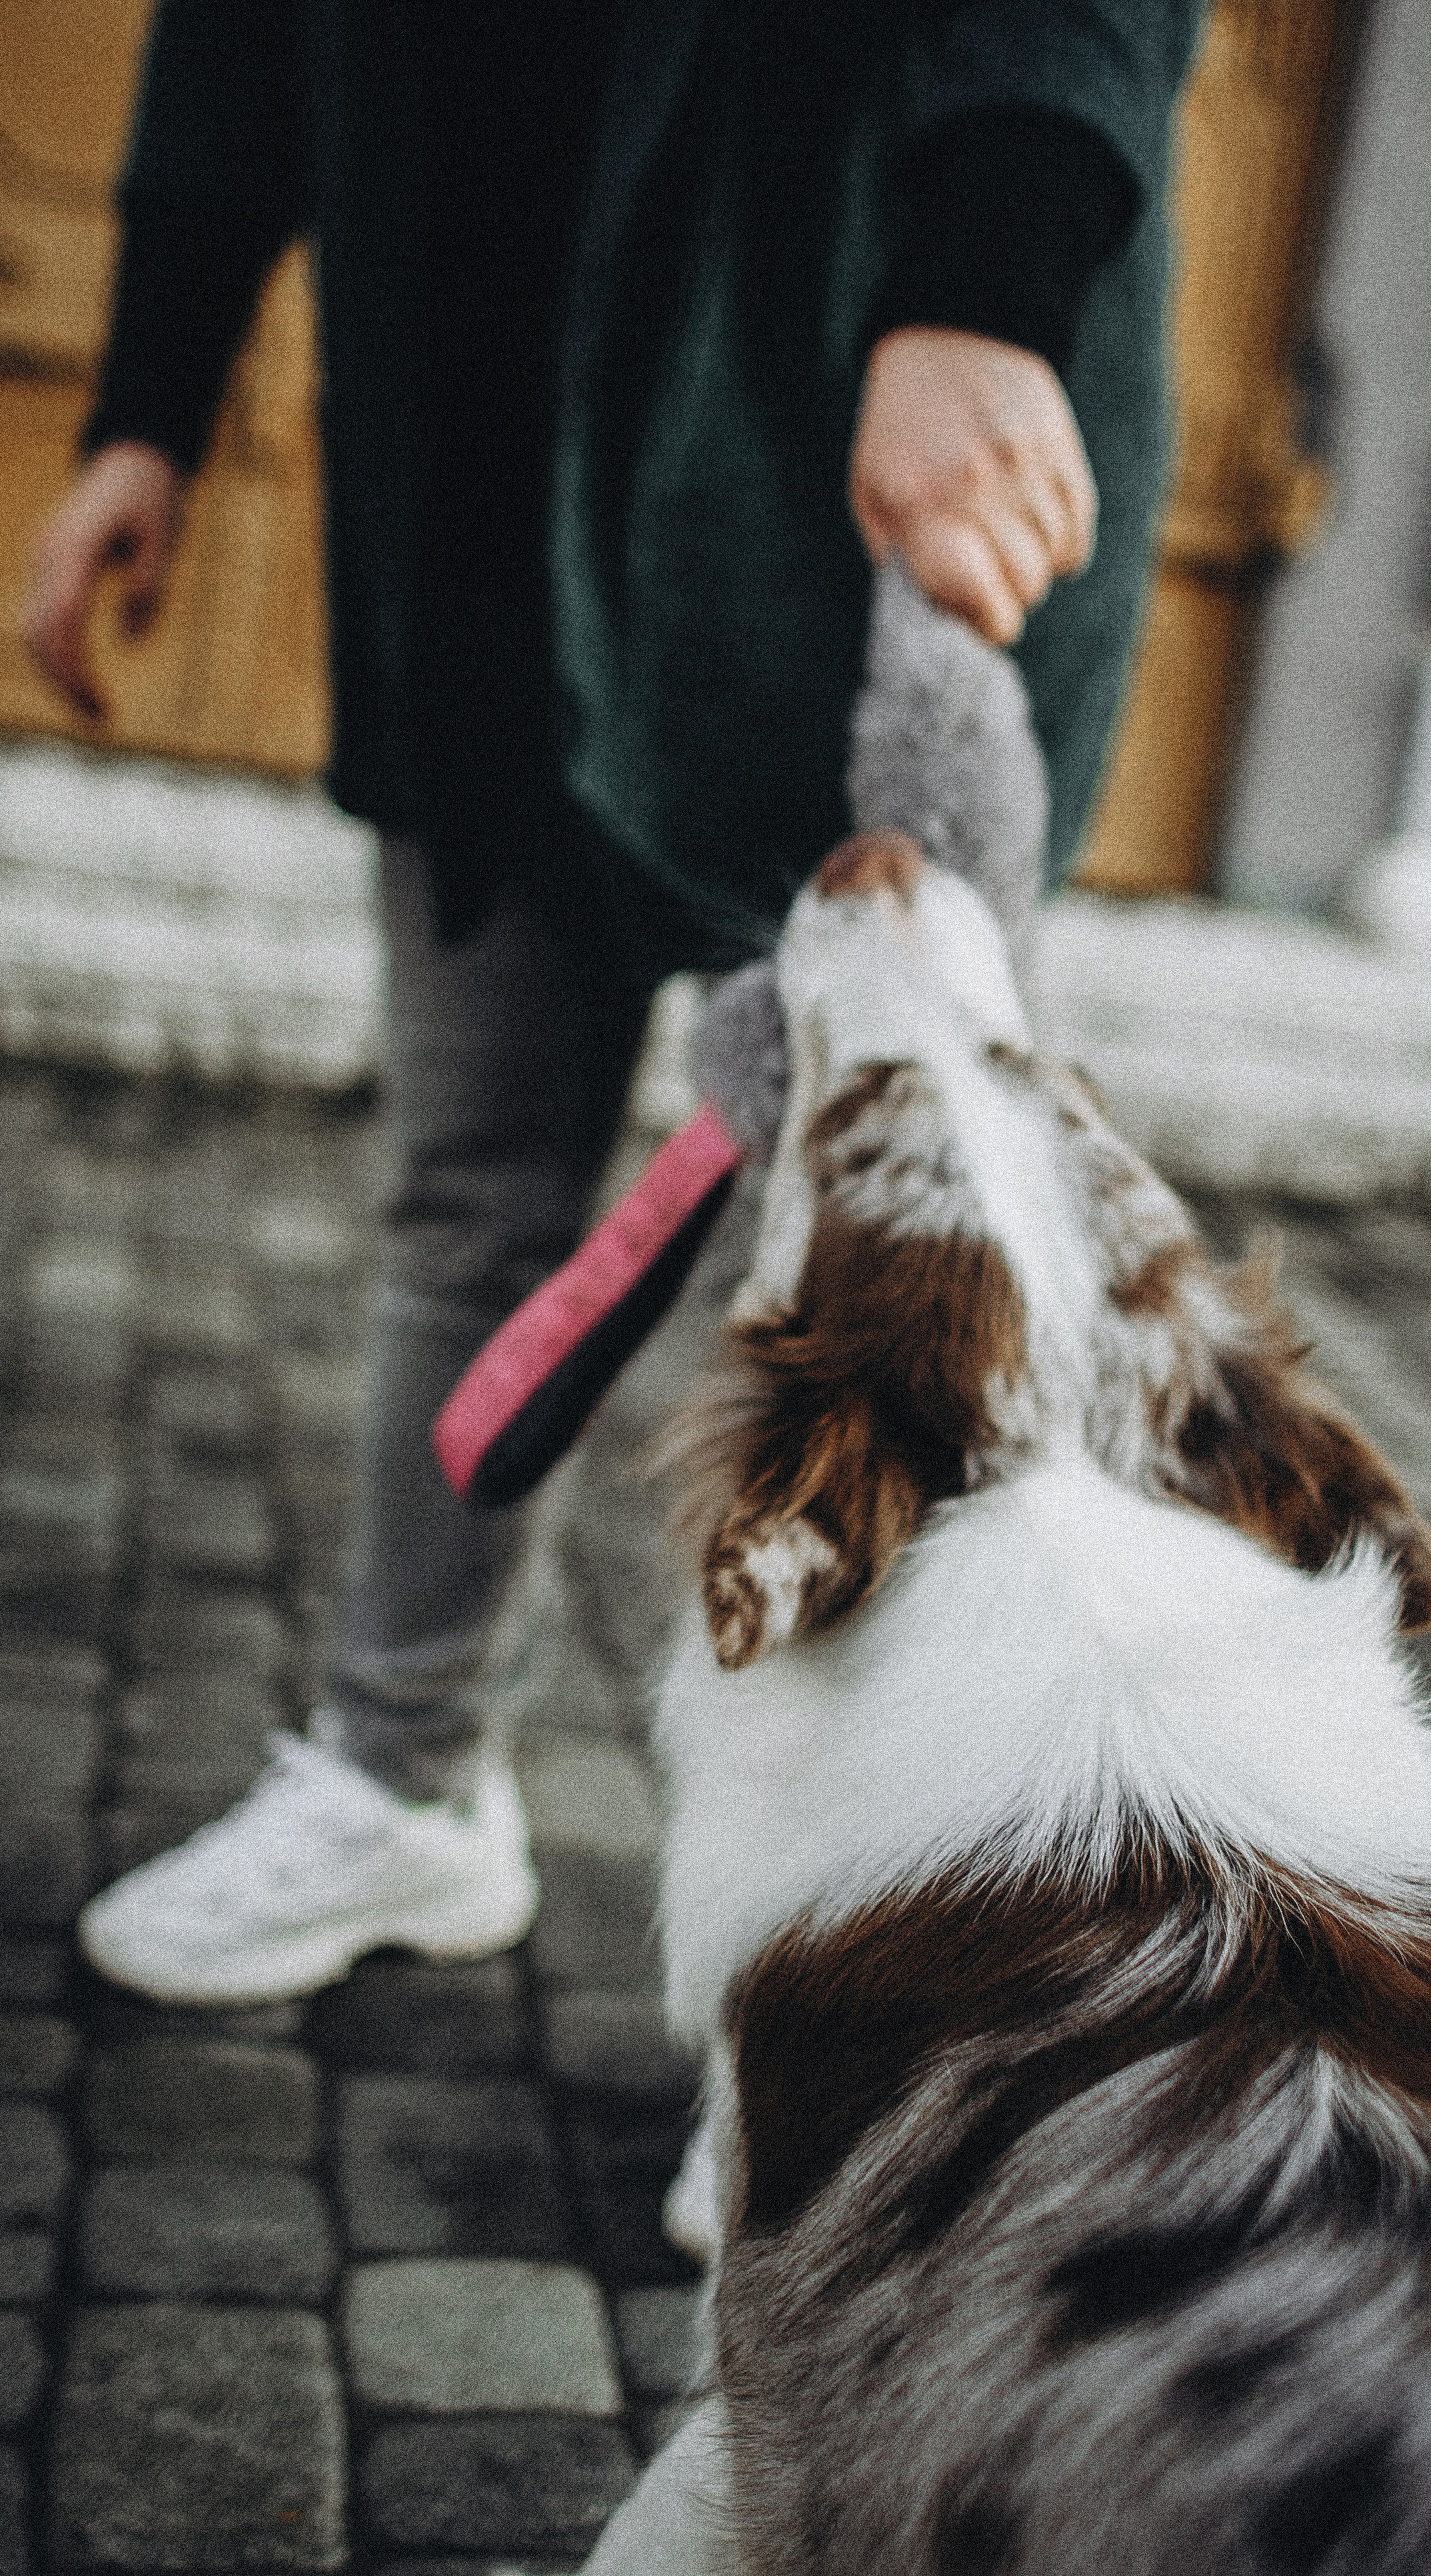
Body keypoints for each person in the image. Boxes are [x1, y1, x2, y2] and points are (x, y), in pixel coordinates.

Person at [26, 0, 1205, 2005]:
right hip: (472, 480)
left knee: (882, 1278)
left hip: (861, 445)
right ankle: (402, 1784)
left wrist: (985, 288)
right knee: (470, 1195)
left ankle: (845, 1958)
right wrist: (148, 395)